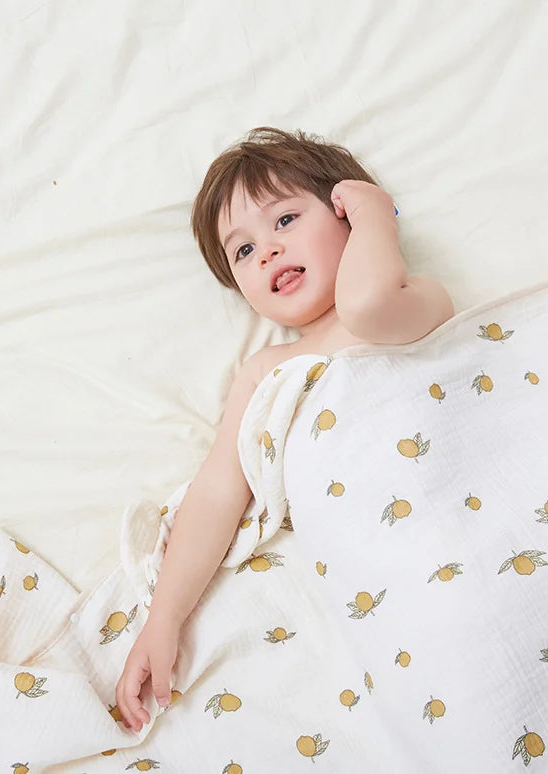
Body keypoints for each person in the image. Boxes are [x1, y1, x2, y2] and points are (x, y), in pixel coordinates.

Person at [114, 126, 455, 731]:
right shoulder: (265, 372)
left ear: (347, 212)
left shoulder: (414, 299)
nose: (267, 251)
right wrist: (163, 617)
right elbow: (218, 492)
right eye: (243, 251)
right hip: (388, 574)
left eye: (286, 220)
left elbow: (367, 305)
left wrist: (377, 221)